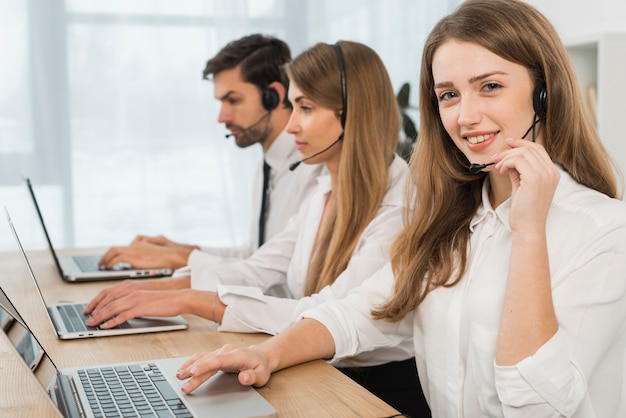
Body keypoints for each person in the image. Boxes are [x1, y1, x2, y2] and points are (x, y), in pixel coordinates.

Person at [173, 1, 626, 417]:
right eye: (448, 95)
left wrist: (528, 231)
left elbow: (537, 408)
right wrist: (266, 354)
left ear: (544, 94)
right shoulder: (452, 222)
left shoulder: (603, 232)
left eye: (490, 86)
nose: (465, 116)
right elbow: (362, 311)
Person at [85, 41, 429, 416]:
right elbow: (256, 267)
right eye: (294, 106)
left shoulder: (398, 205)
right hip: (318, 370)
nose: (292, 123)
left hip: (375, 391)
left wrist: (193, 301)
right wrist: (159, 288)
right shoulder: (324, 188)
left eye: (306, 108)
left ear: (354, 115)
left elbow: (330, 312)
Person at [97, 34, 321, 271]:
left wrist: (181, 260)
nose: (221, 117)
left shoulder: (310, 169)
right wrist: (181, 250)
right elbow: (256, 255)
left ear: (273, 96)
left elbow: (279, 276)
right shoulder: (268, 166)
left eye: (233, 100)